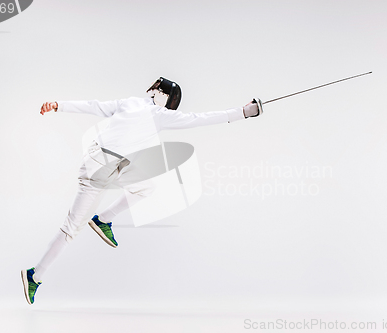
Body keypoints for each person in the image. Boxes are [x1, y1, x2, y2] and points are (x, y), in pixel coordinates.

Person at [21, 77, 263, 305]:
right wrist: (243, 112)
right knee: (71, 228)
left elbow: (196, 118)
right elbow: (199, 118)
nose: (170, 106)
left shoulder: (143, 108)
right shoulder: (148, 110)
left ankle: (103, 219)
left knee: (146, 187)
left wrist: (58, 105)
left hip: (116, 165)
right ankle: (35, 275)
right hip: (98, 168)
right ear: (161, 95)